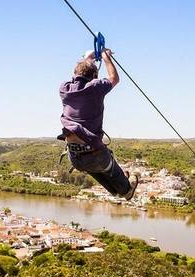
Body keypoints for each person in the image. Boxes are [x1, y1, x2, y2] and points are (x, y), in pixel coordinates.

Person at [57, 48, 138, 200]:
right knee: (108, 167)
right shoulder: (95, 88)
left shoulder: (64, 89)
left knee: (94, 167)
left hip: (74, 157)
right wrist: (106, 58)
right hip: (94, 154)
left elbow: (77, 75)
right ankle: (125, 190)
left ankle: (114, 191)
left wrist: (87, 58)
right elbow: (114, 78)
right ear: (94, 76)